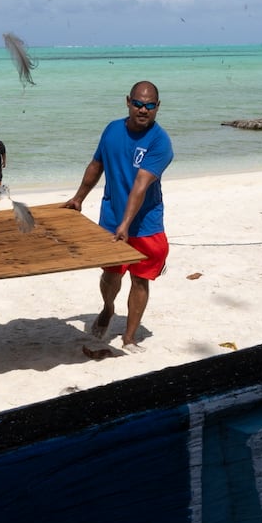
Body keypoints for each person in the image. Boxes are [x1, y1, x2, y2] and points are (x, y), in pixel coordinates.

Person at [62, 80, 173, 351]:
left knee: (140, 278)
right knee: (111, 276)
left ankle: (129, 337)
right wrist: (78, 198)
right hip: (111, 218)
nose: (143, 109)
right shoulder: (112, 130)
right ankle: (108, 308)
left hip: (146, 224)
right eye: (138, 103)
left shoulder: (161, 143)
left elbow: (140, 185)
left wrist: (127, 224)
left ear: (157, 107)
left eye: (149, 105)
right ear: (128, 101)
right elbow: (96, 165)